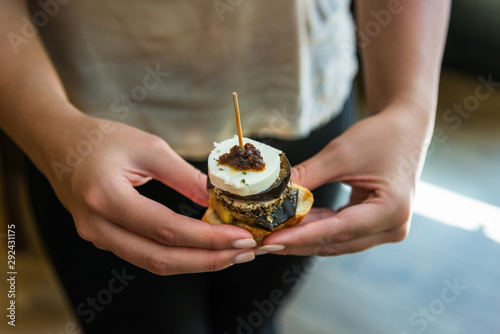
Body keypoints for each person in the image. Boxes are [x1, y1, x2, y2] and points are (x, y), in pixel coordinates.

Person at [0, 0, 450, 333]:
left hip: (306, 103)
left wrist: (409, 106)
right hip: (91, 139)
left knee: (254, 318)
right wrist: (51, 129)